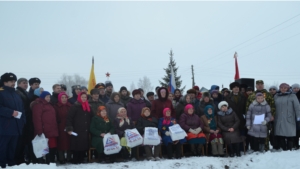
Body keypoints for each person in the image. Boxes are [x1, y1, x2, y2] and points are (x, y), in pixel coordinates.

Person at [0, 73, 26, 169]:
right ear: (5, 82)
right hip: (4, 127)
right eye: (11, 81)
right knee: (3, 147)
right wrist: (10, 112)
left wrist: (23, 121)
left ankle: (11, 163)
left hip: (16, 127)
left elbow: (22, 109)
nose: (13, 83)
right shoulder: (1, 93)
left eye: (14, 81)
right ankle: (2, 164)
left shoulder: (16, 94)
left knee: (13, 148)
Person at [246, 80, 275, 151]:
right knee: (254, 135)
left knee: (264, 134)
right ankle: (254, 148)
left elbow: (272, 106)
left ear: (263, 85)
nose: (260, 86)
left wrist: (272, 115)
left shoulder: (268, 94)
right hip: (254, 119)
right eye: (258, 84)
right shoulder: (252, 95)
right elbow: (247, 107)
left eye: (261, 84)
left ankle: (265, 148)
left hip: (264, 119)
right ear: (255, 86)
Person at [31, 91, 58, 164]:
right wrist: (39, 130)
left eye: (49, 97)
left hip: (51, 129)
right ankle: (42, 161)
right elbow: (37, 118)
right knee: (43, 146)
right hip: (43, 130)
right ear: (42, 97)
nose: (48, 98)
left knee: (50, 146)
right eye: (46, 97)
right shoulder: (38, 105)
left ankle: (50, 160)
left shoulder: (49, 105)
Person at [66, 92, 93, 164]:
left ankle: (81, 158)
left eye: (85, 97)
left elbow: (92, 117)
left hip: (86, 129)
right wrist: (69, 128)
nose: (84, 98)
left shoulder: (88, 106)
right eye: (82, 97)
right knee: (76, 145)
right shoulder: (74, 106)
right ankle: (75, 159)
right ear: (79, 98)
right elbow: (69, 118)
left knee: (84, 145)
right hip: (76, 129)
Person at [274, 83, 300, 151]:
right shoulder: (276, 96)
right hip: (279, 117)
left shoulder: (292, 96)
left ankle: (289, 148)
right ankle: (283, 148)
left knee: (290, 133)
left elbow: (297, 107)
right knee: (280, 133)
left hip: (289, 117)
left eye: (285, 88)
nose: (283, 89)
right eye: (281, 88)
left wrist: (298, 116)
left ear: (288, 88)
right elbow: (273, 106)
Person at [15, 78, 32, 164]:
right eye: (23, 83)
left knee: (25, 140)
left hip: (26, 119)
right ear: (18, 84)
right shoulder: (17, 93)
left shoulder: (25, 93)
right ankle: (19, 159)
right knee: (20, 141)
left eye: (26, 83)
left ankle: (23, 157)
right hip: (21, 119)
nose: (26, 84)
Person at [53, 92, 72, 164]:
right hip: (60, 127)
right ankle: (61, 158)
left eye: (65, 98)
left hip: (69, 126)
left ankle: (69, 157)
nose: (64, 99)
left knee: (69, 142)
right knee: (61, 143)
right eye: (62, 98)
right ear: (59, 98)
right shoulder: (56, 106)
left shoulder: (70, 106)